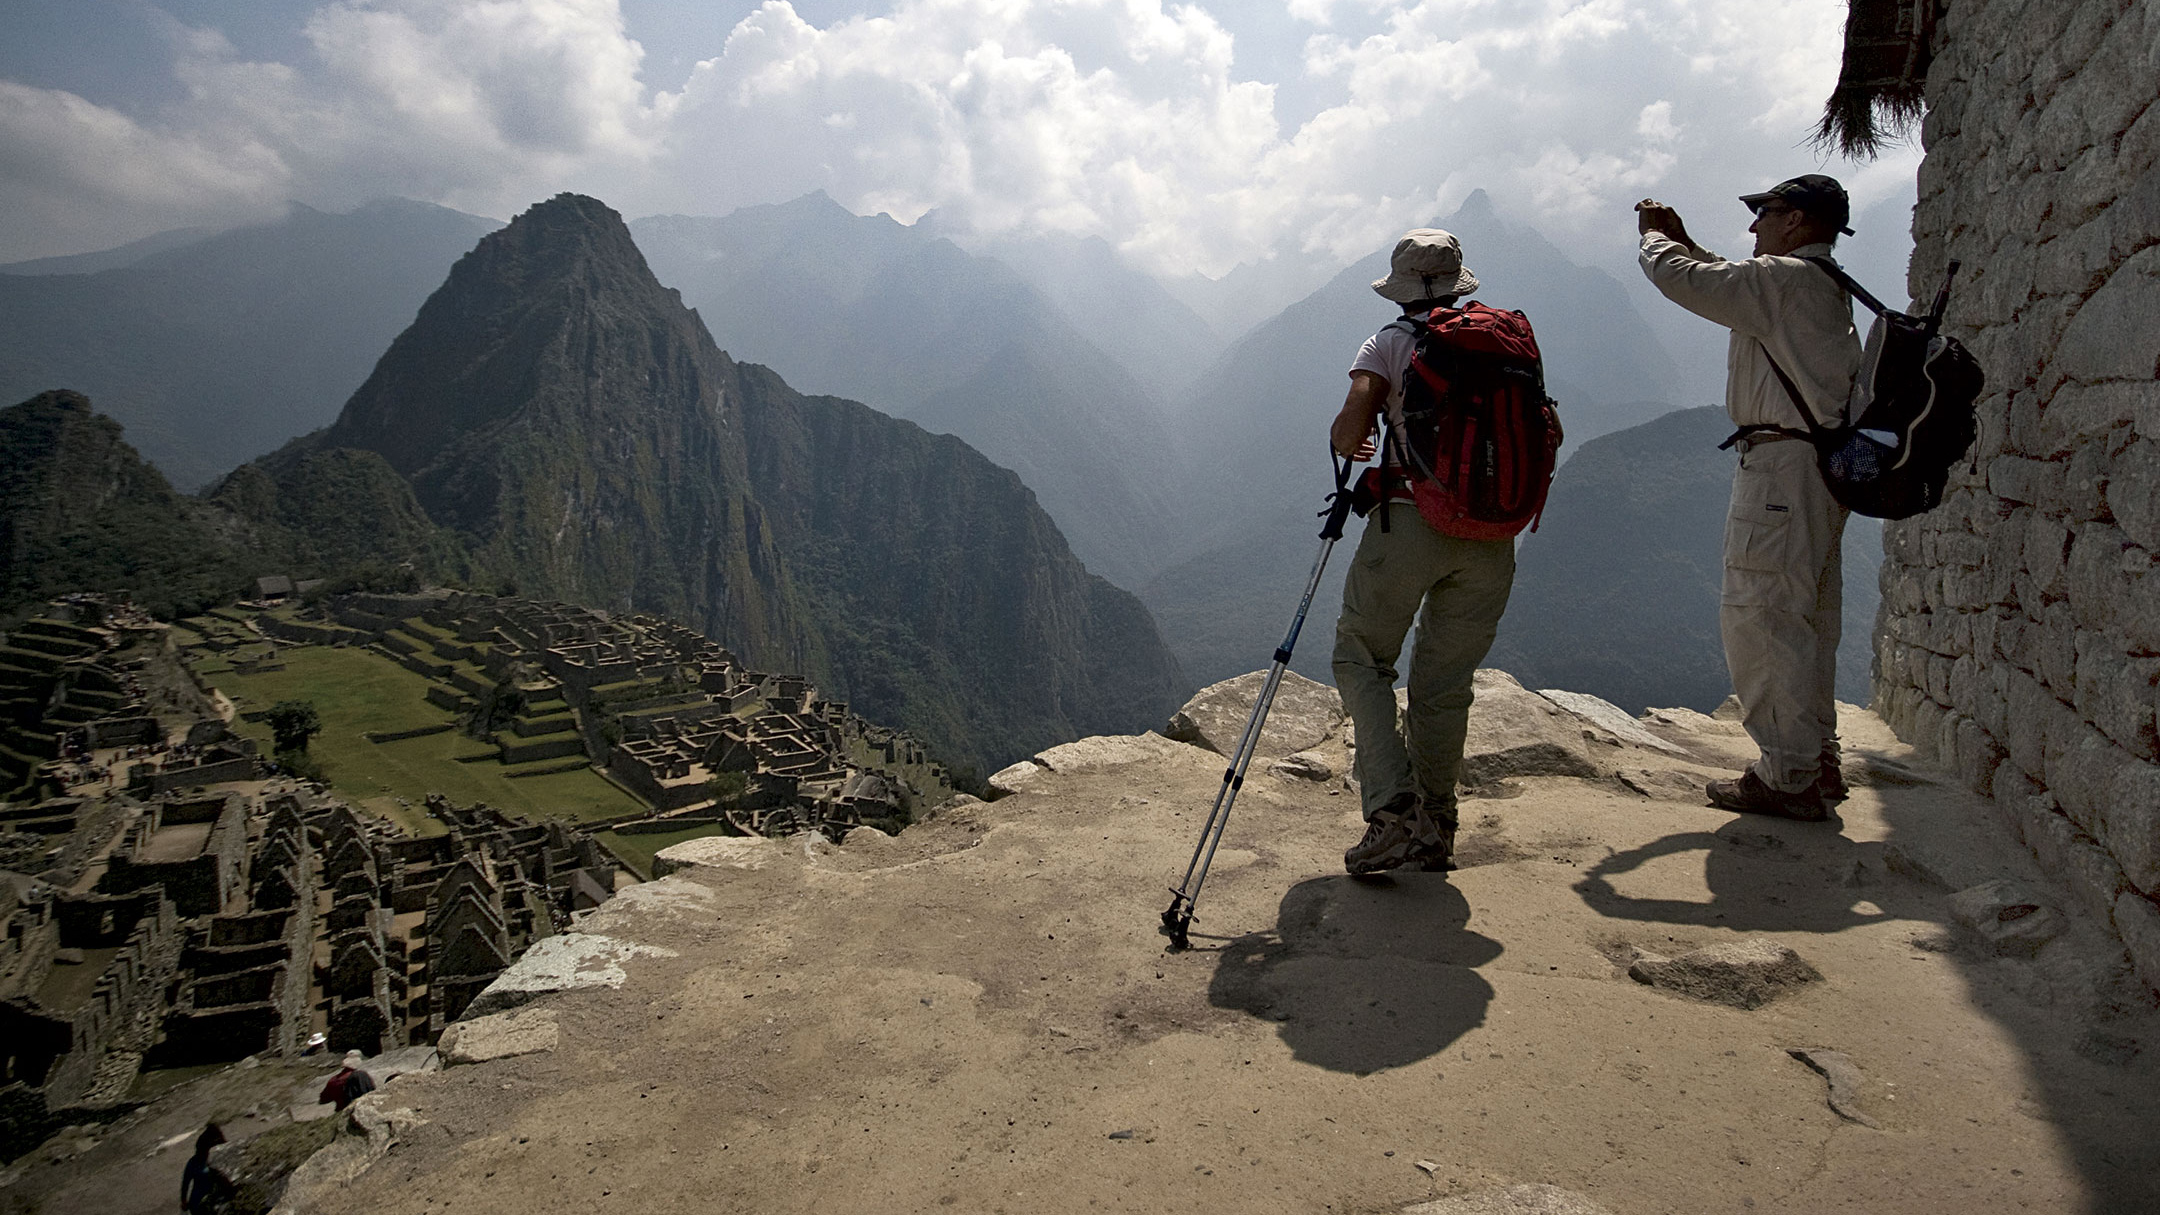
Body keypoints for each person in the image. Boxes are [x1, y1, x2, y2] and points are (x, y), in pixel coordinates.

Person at [1635, 174, 1864, 821]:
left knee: (1761, 614)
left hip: (1778, 478)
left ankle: (1786, 775)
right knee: (1807, 617)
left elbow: (1690, 281)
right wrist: (1686, 240)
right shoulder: (1817, 283)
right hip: (1818, 473)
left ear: (1794, 221)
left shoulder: (1784, 282)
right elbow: (1731, 279)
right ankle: (1815, 758)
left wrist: (1655, 241)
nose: (1754, 225)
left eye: (1763, 212)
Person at [1331, 229, 1520, 874]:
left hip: (1410, 522)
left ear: (1402, 284)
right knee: (1443, 683)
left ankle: (1392, 811)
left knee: (1362, 659)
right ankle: (1436, 823)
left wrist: (1359, 434)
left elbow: (1350, 427)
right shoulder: (1506, 339)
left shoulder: (1387, 342)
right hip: (1493, 534)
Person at [180, 1122, 234, 1214]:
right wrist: (184, 1200)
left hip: (202, 1201)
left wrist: (184, 1200)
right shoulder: (197, 1165)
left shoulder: (196, 1163)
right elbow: (185, 1183)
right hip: (200, 1203)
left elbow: (185, 1183)